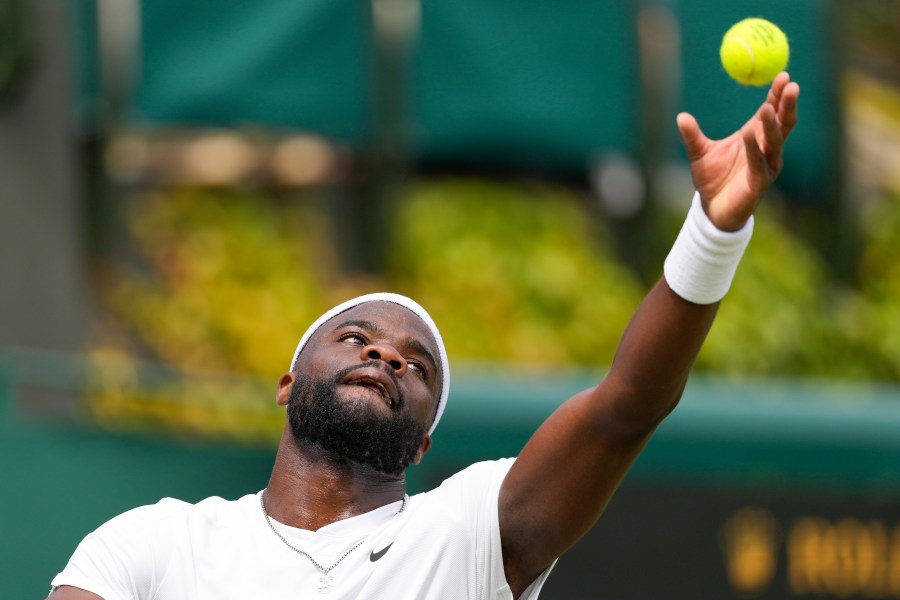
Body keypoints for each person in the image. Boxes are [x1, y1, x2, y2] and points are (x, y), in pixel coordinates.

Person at [49, 73, 800, 600]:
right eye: (355, 337)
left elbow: (627, 405)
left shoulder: (471, 532)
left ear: (421, 447)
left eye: (418, 368)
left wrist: (712, 231)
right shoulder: (156, 544)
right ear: (287, 383)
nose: (386, 355)